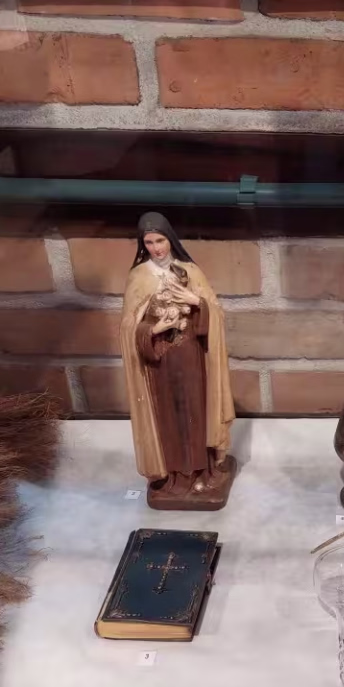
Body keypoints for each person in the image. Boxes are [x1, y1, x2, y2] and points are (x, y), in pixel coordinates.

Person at [120, 212, 235, 508]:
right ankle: (173, 476)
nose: (156, 248)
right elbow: (129, 327)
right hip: (160, 363)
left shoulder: (190, 271)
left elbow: (216, 313)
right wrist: (156, 329)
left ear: (170, 239)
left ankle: (202, 471)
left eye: (160, 240)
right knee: (168, 416)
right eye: (149, 242)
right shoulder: (139, 276)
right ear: (142, 244)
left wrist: (196, 302)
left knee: (196, 411)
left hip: (191, 355)